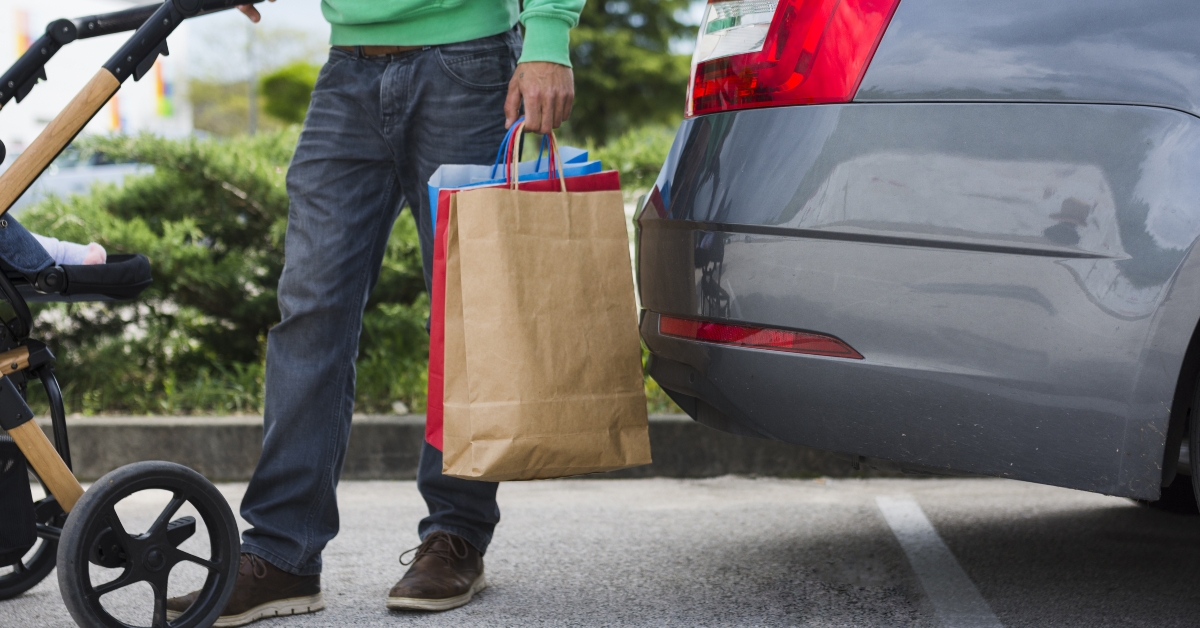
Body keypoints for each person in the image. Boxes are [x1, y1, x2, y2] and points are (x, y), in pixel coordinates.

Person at [166, 0, 582, 625]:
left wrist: (548, 31)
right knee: (309, 310)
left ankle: (456, 535)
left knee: (465, 311)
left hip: (467, 63)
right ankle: (281, 554)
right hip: (347, 72)